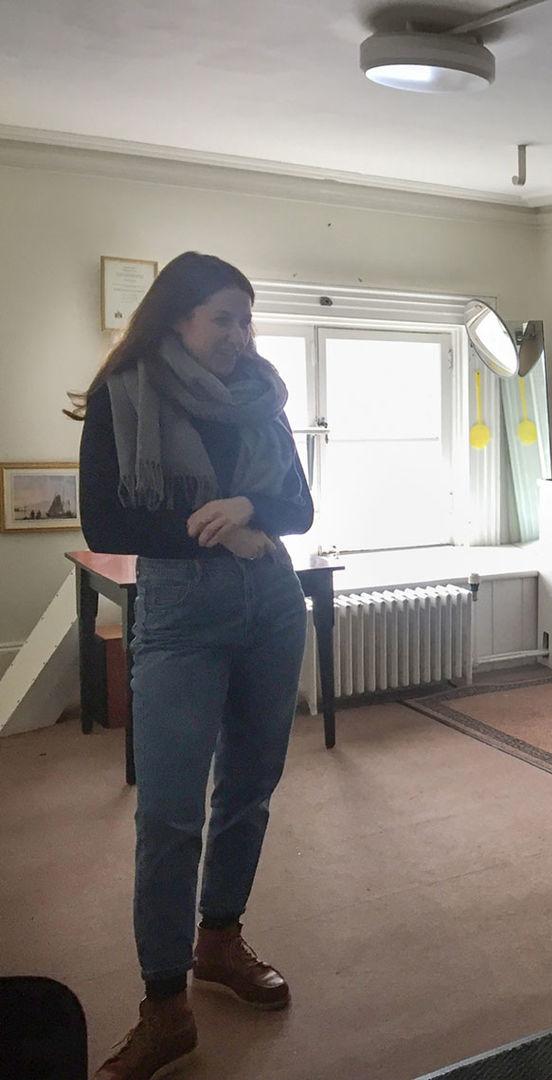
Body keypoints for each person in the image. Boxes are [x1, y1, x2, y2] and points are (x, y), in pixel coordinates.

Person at [73, 252, 314, 1080]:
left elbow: (301, 508)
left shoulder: (263, 398)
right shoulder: (124, 394)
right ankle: (165, 1003)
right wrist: (215, 532)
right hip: (181, 615)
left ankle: (220, 939)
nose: (241, 337)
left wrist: (249, 508)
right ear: (177, 317)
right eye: (223, 318)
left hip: (273, 608)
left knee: (249, 787)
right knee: (170, 813)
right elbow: (106, 521)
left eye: (247, 320)